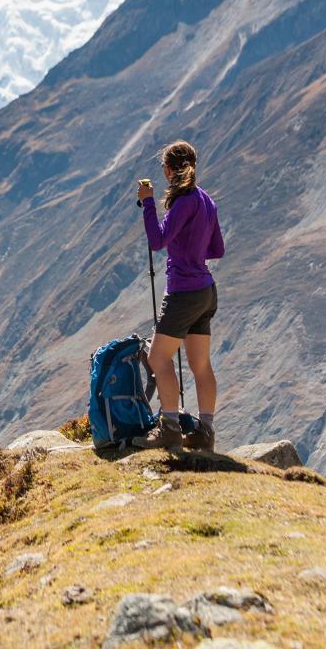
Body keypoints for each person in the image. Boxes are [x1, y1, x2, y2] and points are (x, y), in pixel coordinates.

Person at [133, 140, 224, 451]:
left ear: (170, 170)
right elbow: (217, 249)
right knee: (201, 365)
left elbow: (157, 240)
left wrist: (147, 202)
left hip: (184, 292)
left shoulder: (183, 202)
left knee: (158, 358)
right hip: (206, 291)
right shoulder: (206, 200)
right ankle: (205, 432)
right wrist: (192, 248)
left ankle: (170, 428)